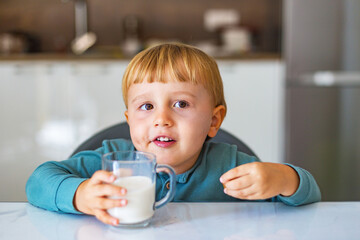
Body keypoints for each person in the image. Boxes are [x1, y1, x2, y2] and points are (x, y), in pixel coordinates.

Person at [26, 43, 321, 226]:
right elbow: (39, 180)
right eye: (146, 106)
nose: (161, 119)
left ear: (213, 120)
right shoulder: (110, 164)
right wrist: (79, 195)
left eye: (181, 104)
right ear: (129, 119)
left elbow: (309, 200)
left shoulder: (230, 165)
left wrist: (284, 179)